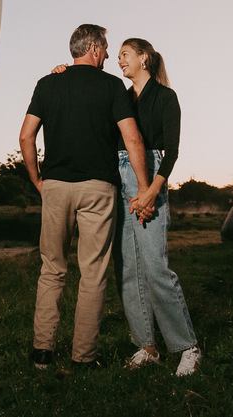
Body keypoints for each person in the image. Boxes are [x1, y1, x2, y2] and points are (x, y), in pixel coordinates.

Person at [19, 24, 151, 371]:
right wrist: (144, 188)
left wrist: (38, 180)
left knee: (52, 270)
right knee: (92, 274)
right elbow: (133, 138)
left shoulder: (47, 83)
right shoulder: (112, 86)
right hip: (98, 189)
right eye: (106, 48)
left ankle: (42, 353)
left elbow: (26, 136)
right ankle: (83, 358)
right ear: (93, 48)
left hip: (56, 187)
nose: (108, 54)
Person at [114, 38, 202, 377]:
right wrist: (63, 72)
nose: (119, 61)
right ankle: (146, 346)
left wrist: (151, 191)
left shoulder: (166, 97)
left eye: (125, 55)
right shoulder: (120, 98)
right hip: (118, 176)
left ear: (144, 58)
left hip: (151, 173)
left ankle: (186, 347)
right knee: (128, 269)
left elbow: (172, 150)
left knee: (154, 267)